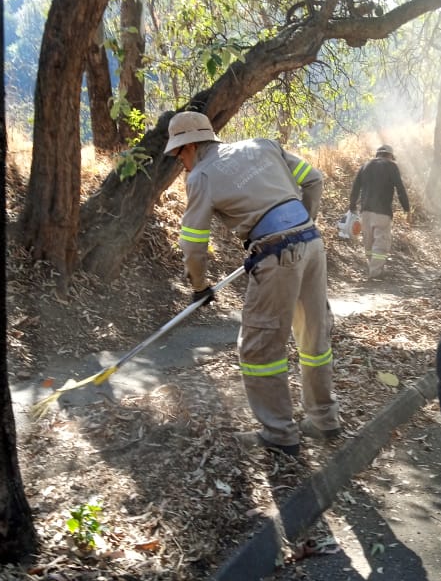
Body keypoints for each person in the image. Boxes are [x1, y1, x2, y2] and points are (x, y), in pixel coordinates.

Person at [164, 110, 340, 458]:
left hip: (277, 255)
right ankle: (324, 419)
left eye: (179, 154)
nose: (180, 162)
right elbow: (314, 179)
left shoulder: (201, 176)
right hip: (311, 244)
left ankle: (279, 432)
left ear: (192, 146)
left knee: (259, 349)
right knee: (313, 335)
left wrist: (199, 286)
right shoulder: (263, 146)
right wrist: (302, 227)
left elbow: (193, 244)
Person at [349, 143, 410, 280]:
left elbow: (355, 187)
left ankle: (373, 268)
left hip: (365, 211)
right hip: (382, 212)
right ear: (390, 155)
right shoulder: (391, 166)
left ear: (377, 154)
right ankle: (375, 273)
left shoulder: (365, 166)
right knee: (380, 243)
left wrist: (352, 204)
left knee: (368, 242)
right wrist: (406, 207)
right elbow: (400, 188)